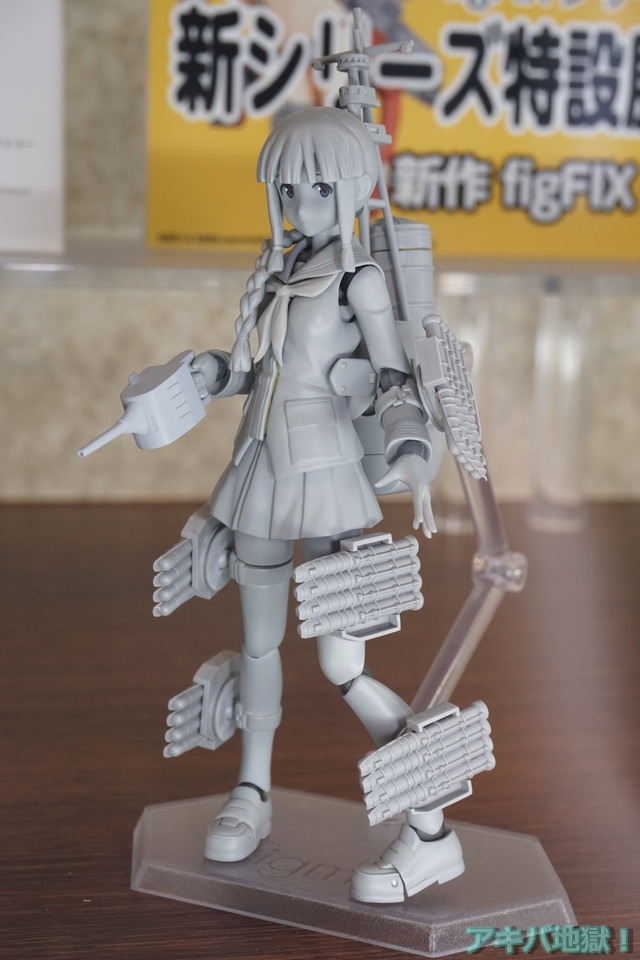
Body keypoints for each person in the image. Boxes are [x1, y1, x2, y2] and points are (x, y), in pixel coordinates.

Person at [188, 106, 465, 903]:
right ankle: (253, 790)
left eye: (316, 188)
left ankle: (431, 824)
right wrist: (214, 374)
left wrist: (412, 450)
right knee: (258, 645)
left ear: (349, 189)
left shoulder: (358, 278)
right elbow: (265, 374)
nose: (300, 205)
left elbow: (392, 379)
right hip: (261, 474)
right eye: (287, 189)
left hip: (328, 476)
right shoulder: (280, 273)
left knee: (344, 663)